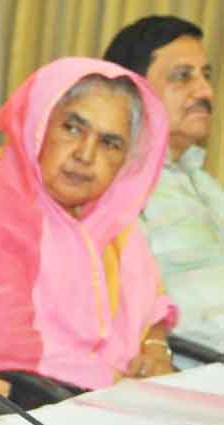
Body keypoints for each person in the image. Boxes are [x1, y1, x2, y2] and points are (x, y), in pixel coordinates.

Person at [0, 58, 178, 393]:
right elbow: (0, 347)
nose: (85, 155)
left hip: (108, 399)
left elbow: (153, 306)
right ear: (40, 124)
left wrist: (155, 349)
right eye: (72, 128)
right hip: (14, 399)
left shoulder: (110, 213)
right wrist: (114, 386)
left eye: (109, 143)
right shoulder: (2, 191)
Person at [104, 16, 223, 359]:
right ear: (133, 92)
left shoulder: (205, 184)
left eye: (206, 75)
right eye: (182, 77)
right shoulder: (120, 185)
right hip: (192, 369)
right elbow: (135, 311)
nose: (205, 92)